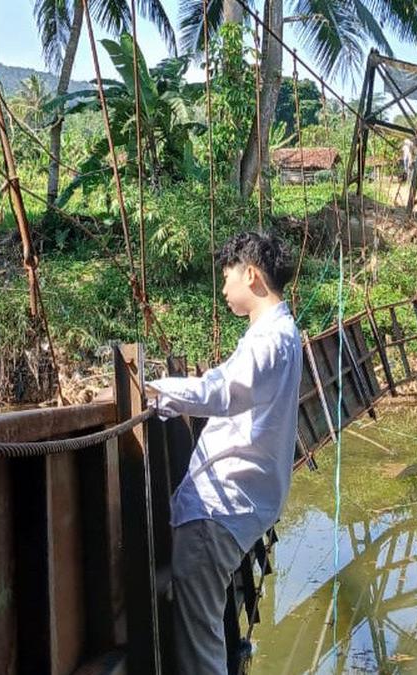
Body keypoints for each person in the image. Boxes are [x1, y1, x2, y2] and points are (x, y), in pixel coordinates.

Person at [145, 231, 303, 674]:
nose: (223, 287)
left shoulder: (270, 340)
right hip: (235, 507)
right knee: (205, 633)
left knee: (200, 649)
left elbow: (223, 390)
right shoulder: (278, 334)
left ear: (250, 275)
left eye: (227, 275)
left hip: (220, 509)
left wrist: (153, 392)